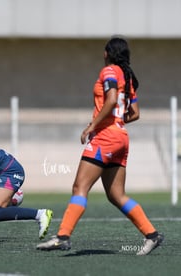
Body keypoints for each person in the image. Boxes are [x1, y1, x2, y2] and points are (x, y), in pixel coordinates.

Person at [36, 37, 163, 255]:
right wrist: (115, 122)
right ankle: (152, 235)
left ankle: (63, 236)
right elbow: (135, 113)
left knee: (80, 188)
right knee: (116, 195)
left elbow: (111, 99)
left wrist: (92, 126)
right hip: (121, 137)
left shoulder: (110, 72)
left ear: (107, 53)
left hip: (105, 137)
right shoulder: (128, 77)